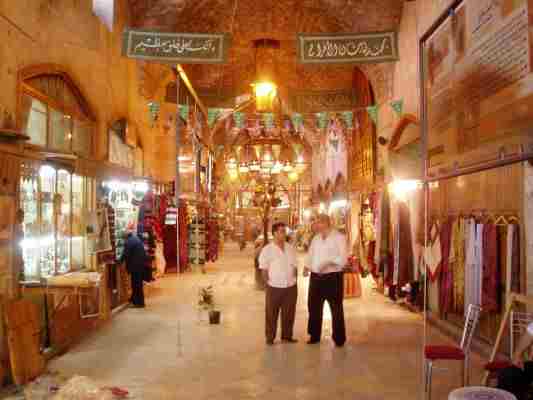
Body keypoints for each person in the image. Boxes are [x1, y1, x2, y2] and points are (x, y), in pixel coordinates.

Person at [304, 214, 347, 347]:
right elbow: (311, 254)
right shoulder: (316, 238)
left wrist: (329, 263)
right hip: (316, 277)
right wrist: (306, 267)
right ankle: (314, 335)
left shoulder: (339, 238)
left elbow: (343, 258)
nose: (316, 225)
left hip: (333, 277)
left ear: (326, 223)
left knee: (336, 308)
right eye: (316, 223)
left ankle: (339, 338)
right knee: (314, 307)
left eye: (318, 222)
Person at [259, 222, 298, 345]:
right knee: (271, 313)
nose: (284, 233)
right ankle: (270, 337)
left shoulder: (290, 248)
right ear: (274, 233)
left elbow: (295, 265)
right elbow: (263, 270)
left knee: (289, 313)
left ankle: (287, 336)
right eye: (281, 231)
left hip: (290, 287)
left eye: (284, 231)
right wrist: (268, 285)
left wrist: (294, 279)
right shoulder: (267, 250)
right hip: (274, 287)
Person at [120, 229, 147, 308]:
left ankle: (140, 303)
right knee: (137, 283)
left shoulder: (129, 242)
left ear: (125, 236)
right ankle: (134, 299)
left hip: (135, 266)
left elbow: (126, 254)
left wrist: (119, 261)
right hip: (140, 265)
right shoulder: (135, 239)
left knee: (136, 284)